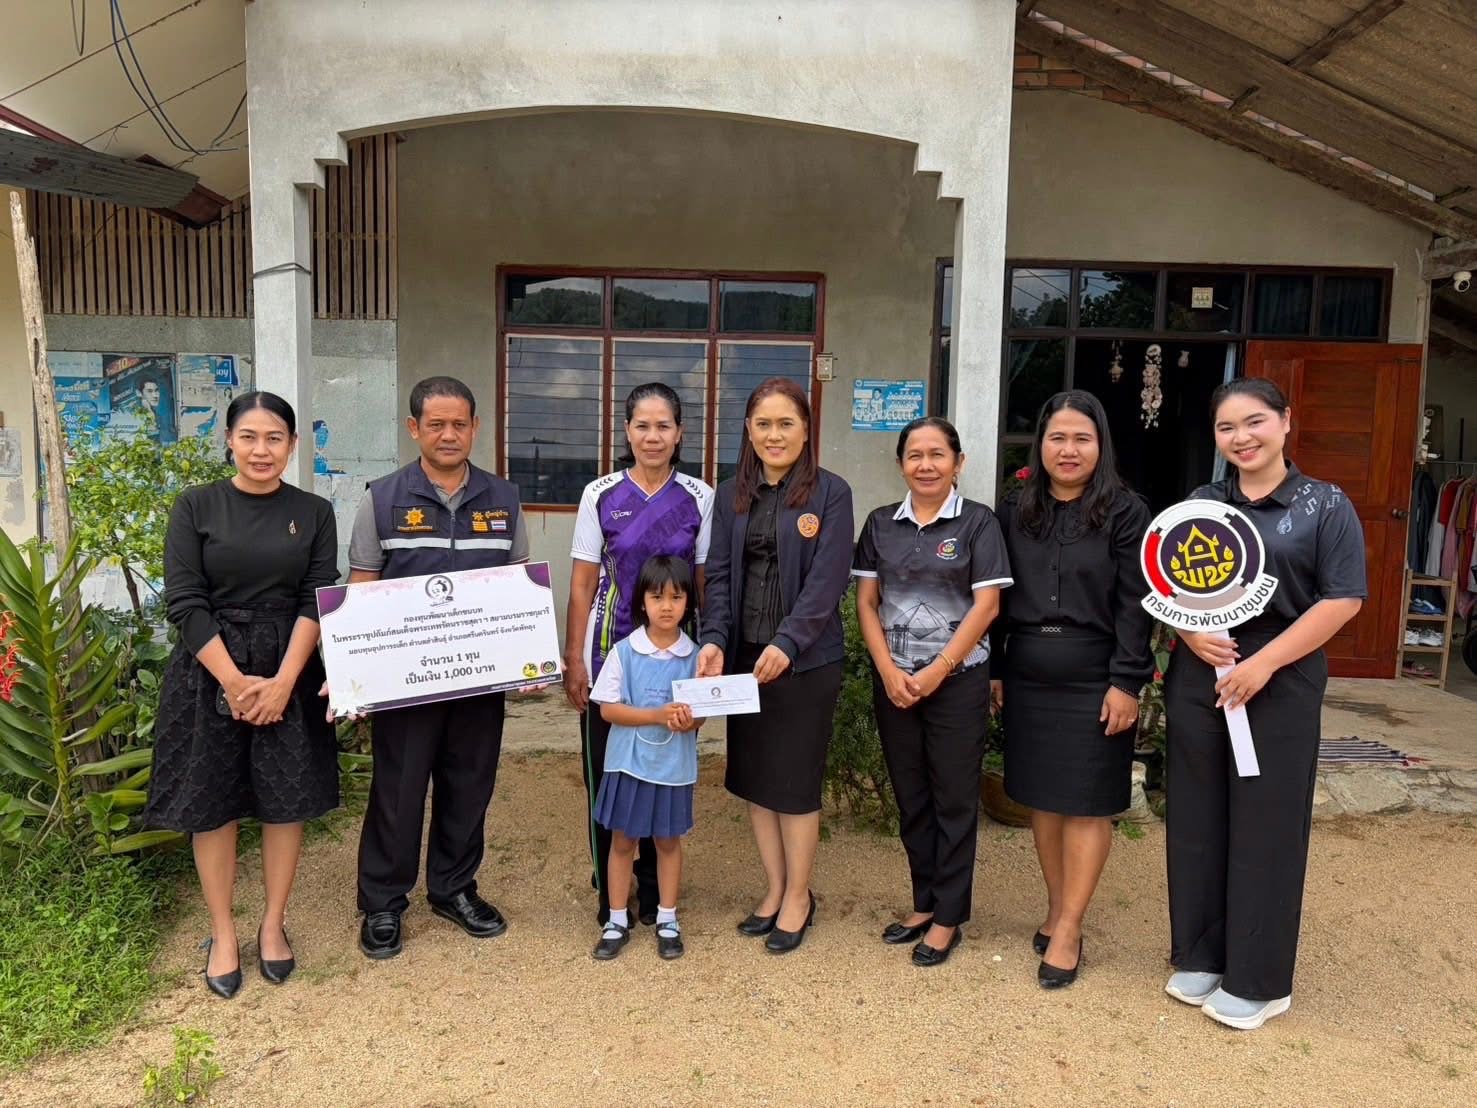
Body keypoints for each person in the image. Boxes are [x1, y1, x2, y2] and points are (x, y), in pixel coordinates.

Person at [1163, 377, 1365, 1030]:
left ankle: (1259, 979)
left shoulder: (1323, 504)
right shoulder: (1201, 501)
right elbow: (1166, 581)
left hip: (1279, 678)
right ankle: (1201, 953)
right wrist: (1188, 633)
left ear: (1284, 421)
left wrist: (1264, 663)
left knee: (1267, 825)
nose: (1241, 438)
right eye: (1226, 428)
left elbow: (1342, 598)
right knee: (1196, 819)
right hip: (1202, 673)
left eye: (1254, 422)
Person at [146, 391, 339, 998]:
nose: (262, 450)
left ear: (293, 445)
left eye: (275, 438)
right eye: (249, 436)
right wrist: (233, 683)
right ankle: (223, 931)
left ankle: (273, 923)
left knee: (286, 801)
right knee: (214, 803)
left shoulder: (313, 511)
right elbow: (184, 600)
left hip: (289, 664)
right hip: (211, 669)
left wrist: (283, 683)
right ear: (229, 440)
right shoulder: (196, 506)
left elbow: (317, 596)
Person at [342, 376, 530, 959]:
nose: (449, 435)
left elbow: (518, 588)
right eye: (436, 424)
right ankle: (383, 901)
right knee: (397, 790)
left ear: (475, 428)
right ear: (414, 428)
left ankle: (453, 888)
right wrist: (356, 676)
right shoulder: (381, 499)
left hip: (478, 679)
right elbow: (362, 589)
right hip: (405, 684)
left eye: (459, 424)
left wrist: (527, 662)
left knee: (470, 785)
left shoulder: (504, 499)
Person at [991, 390, 1153, 989]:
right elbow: (995, 594)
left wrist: (1127, 681)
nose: (1068, 449)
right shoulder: (1015, 509)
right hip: (1028, 670)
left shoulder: (1126, 511)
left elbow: (1136, 602)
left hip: (1096, 673)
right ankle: (1058, 907)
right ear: (1040, 444)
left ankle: (1070, 928)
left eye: (1082, 438)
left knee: (1087, 802)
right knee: (1044, 799)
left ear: (1100, 445)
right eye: (1057, 437)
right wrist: (996, 670)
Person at [697, 376, 854, 955]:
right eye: (763, 424)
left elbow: (827, 580)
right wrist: (714, 639)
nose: (774, 434)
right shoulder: (730, 495)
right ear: (748, 430)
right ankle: (774, 887)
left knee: (794, 785)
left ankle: (799, 896)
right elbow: (718, 576)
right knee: (757, 781)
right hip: (744, 661)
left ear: (806, 429)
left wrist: (788, 642)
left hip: (804, 663)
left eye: (786, 423)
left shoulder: (831, 494)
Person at [853, 417, 1011, 967]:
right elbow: (867, 603)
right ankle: (924, 902)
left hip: (957, 684)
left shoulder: (978, 523)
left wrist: (939, 669)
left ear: (958, 462)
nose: (926, 465)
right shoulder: (880, 524)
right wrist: (888, 671)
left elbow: (987, 607)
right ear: (901, 464)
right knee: (912, 796)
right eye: (915, 455)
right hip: (896, 684)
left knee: (953, 799)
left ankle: (949, 917)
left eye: (937, 454)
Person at [562, 383, 713, 929]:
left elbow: (704, 584)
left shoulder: (699, 496)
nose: (653, 436)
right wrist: (574, 658)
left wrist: (707, 657)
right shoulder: (600, 493)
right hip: (610, 654)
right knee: (609, 776)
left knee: (663, 768)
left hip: (675, 658)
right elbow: (582, 584)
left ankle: (656, 893)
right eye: (642, 426)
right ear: (627, 432)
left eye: (664, 426)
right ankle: (613, 894)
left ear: (680, 433)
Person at [588, 556, 701, 961]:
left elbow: (700, 715)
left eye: (676, 597)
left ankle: (667, 918)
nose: (666, 606)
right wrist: (655, 715)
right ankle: (616, 919)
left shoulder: (696, 656)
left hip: (673, 767)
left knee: (668, 842)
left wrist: (689, 720)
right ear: (641, 602)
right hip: (628, 764)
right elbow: (607, 709)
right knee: (623, 841)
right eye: (657, 597)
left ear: (688, 602)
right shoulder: (624, 652)